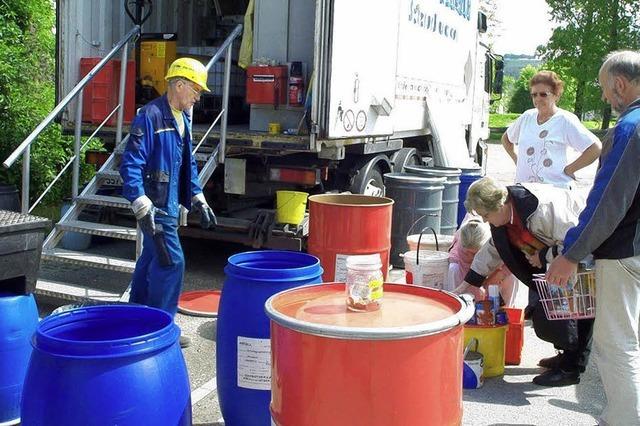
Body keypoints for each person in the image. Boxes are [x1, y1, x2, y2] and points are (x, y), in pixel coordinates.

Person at [546, 50, 640, 425]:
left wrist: (572, 253)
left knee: (617, 344)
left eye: (605, 89)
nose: (604, 97)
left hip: (625, 253)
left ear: (619, 83)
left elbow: (607, 202)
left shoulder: (630, 128)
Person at [454, 177, 594, 387]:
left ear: (500, 205)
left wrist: (545, 254)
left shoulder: (542, 209)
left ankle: (572, 367)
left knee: (578, 309)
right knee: (553, 311)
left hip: (579, 254)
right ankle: (566, 356)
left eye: (486, 215)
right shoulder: (504, 214)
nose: (484, 221)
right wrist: (468, 283)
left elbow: (577, 237)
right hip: (553, 257)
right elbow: (494, 248)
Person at [120, 57, 217, 348]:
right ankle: (161, 331)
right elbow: (131, 164)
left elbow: (186, 162)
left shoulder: (183, 117)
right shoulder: (150, 116)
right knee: (171, 261)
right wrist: (139, 201)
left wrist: (198, 197)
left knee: (150, 259)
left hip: (170, 202)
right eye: (196, 90)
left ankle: (136, 320)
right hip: (155, 205)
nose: (198, 97)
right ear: (179, 85)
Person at [502, 70, 601, 189]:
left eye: (543, 94)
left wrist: (569, 170)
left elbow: (595, 148)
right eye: (534, 94)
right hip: (524, 191)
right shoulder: (526, 117)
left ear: (556, 95)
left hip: (554, 192)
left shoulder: (565, 120)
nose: (538, 98)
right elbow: (506, 139)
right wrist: (516, 160)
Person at [446, 217, 518, 306]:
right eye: (468, 253)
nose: (471, 257)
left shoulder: (498, 239)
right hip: (469, 273)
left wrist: (500, 274)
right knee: (453, 268)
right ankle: (458, 304)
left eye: (475, 254)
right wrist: (475, 287)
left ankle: (507, 309)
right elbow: (470, 272)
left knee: (512, 276)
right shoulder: (461, 247)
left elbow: (514, 261)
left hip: (494, 268)